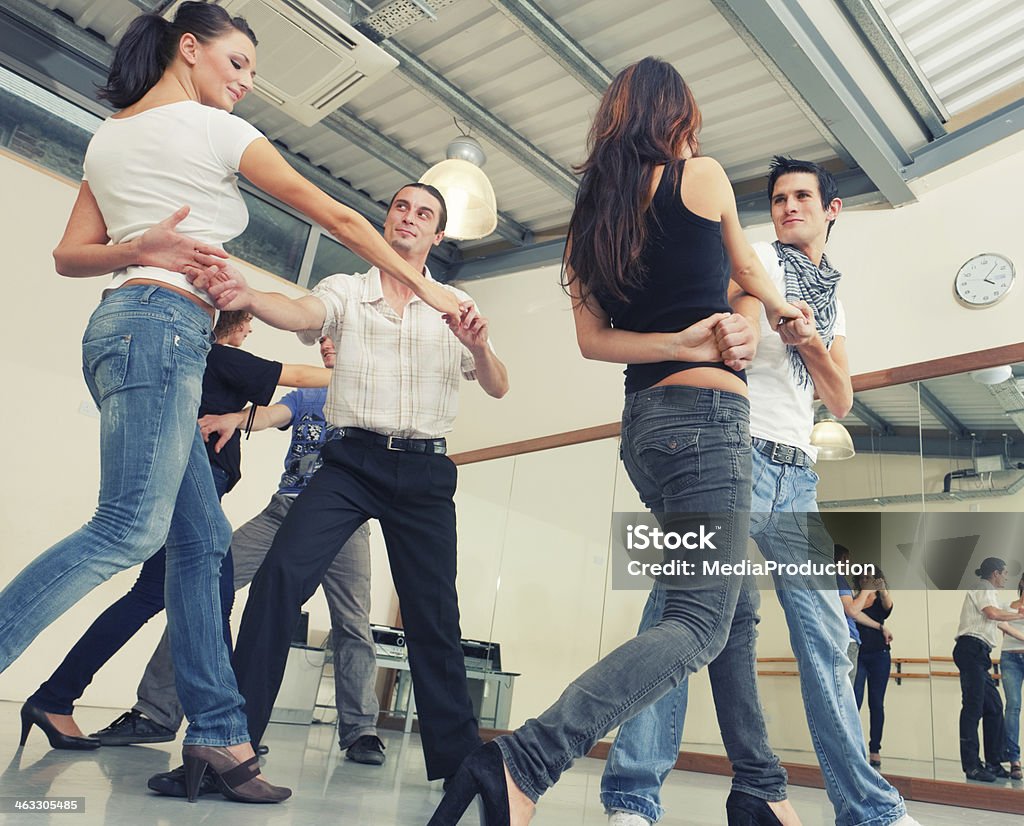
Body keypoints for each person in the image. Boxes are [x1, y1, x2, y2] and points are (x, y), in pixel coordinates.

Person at [0, 1, 459, 805]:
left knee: (203, 544)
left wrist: (136, 245)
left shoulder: (111, 136)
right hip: (163, 331)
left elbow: (73, 255)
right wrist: (425, 286)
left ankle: (217, 736)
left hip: (124, 324)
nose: (248, 81)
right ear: (191, 50)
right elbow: (341, 216)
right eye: (239, 63)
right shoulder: (212, 131)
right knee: (127, 527)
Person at [428, 56, 805, 826]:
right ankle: (526, 757)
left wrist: (683, 344)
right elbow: (744, 267)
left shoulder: (590, 221)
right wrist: (780, 314)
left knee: (731, 615)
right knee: (701, 621)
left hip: (647, 432)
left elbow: (596, 344)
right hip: (706, 426)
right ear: (679, 115)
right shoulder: (699, 177)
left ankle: (761, 791)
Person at [598, 156, 922, 826]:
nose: (789, 207)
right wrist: (755, 323)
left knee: (830, 641)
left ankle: (869, 810)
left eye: (803, 196)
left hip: (798, 476)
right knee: (676, 615)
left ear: (832, 210)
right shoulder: (761, 266)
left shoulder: (833, 294)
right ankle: (632, 795)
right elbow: (735, 336)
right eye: (779, 198)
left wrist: (808, 340)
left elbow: (840, 396)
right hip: (736, 455)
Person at [184, 181, 509, 787]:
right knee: (279, 580)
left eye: (424, 215)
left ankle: (462, 766)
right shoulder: (346, 292)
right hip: (351, 462)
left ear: (438, 235)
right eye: (400, 207)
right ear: (388, 221)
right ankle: (233, 746)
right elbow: (301, 312)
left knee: (434, 615)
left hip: (424, 471)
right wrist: (249, 295)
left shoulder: (453, 303)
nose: (408, 218)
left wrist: (479, 345)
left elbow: (497, 384)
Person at [19, 310, 329, 752]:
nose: (251, 330)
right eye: (247, 323)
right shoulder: (219, 357)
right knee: (187, 599)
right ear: (233, 324)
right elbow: (298, 375)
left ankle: (59, 697)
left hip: (189, 484)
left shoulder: (195, 362)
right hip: (194, 487)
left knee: (179, 599)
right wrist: (369, 374)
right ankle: (224, 732)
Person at [94, 335, 384, 768]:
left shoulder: (377, 400)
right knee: (201, 587)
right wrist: (234, 418)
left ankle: (360, 730)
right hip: (285, 511)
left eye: (337, 337)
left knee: (353, 625)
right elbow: (270, 415)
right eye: (324, 336)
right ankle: (154, 712)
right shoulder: (310, 393)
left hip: (345, 524)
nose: (327, 342)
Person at [953, 557, 1024, 782]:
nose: (1005, 578)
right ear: (995, 573)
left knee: (994, 707)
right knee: (973, 708)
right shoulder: (983, 587)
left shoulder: (989, 593)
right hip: (970, 648)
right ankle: (972, 766)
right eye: (1004, 573)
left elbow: (1000, 623)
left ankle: (994, 762)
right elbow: (993, 614)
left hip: (979, 653)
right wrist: (1020, 614)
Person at [852, 569, 895, 768]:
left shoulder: (880, 599)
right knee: (855, 700)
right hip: (859, 655)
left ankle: (875, 749)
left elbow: (888, 605)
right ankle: (854, 746)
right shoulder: (854, 600)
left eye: (868, 577)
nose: (864, 581)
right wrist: (880, 626)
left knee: (877, 703)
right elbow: (853, 614)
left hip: (879, 654)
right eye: (861, 578)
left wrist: (882, 589)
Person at [1001, 573, 1024, 781]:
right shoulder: (1008, 607)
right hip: (1010, 658)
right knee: (1013, 705)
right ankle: (1014, 760)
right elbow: (1002, 629)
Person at [836, 544, 865, 684]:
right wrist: (866, 590)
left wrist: (880, 627)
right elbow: (852, 611)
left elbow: (854, 614)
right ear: (843, 558)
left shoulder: (826, 579)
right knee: (846, 692)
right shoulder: (839, 580)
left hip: (841, 640)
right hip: (847, 642)